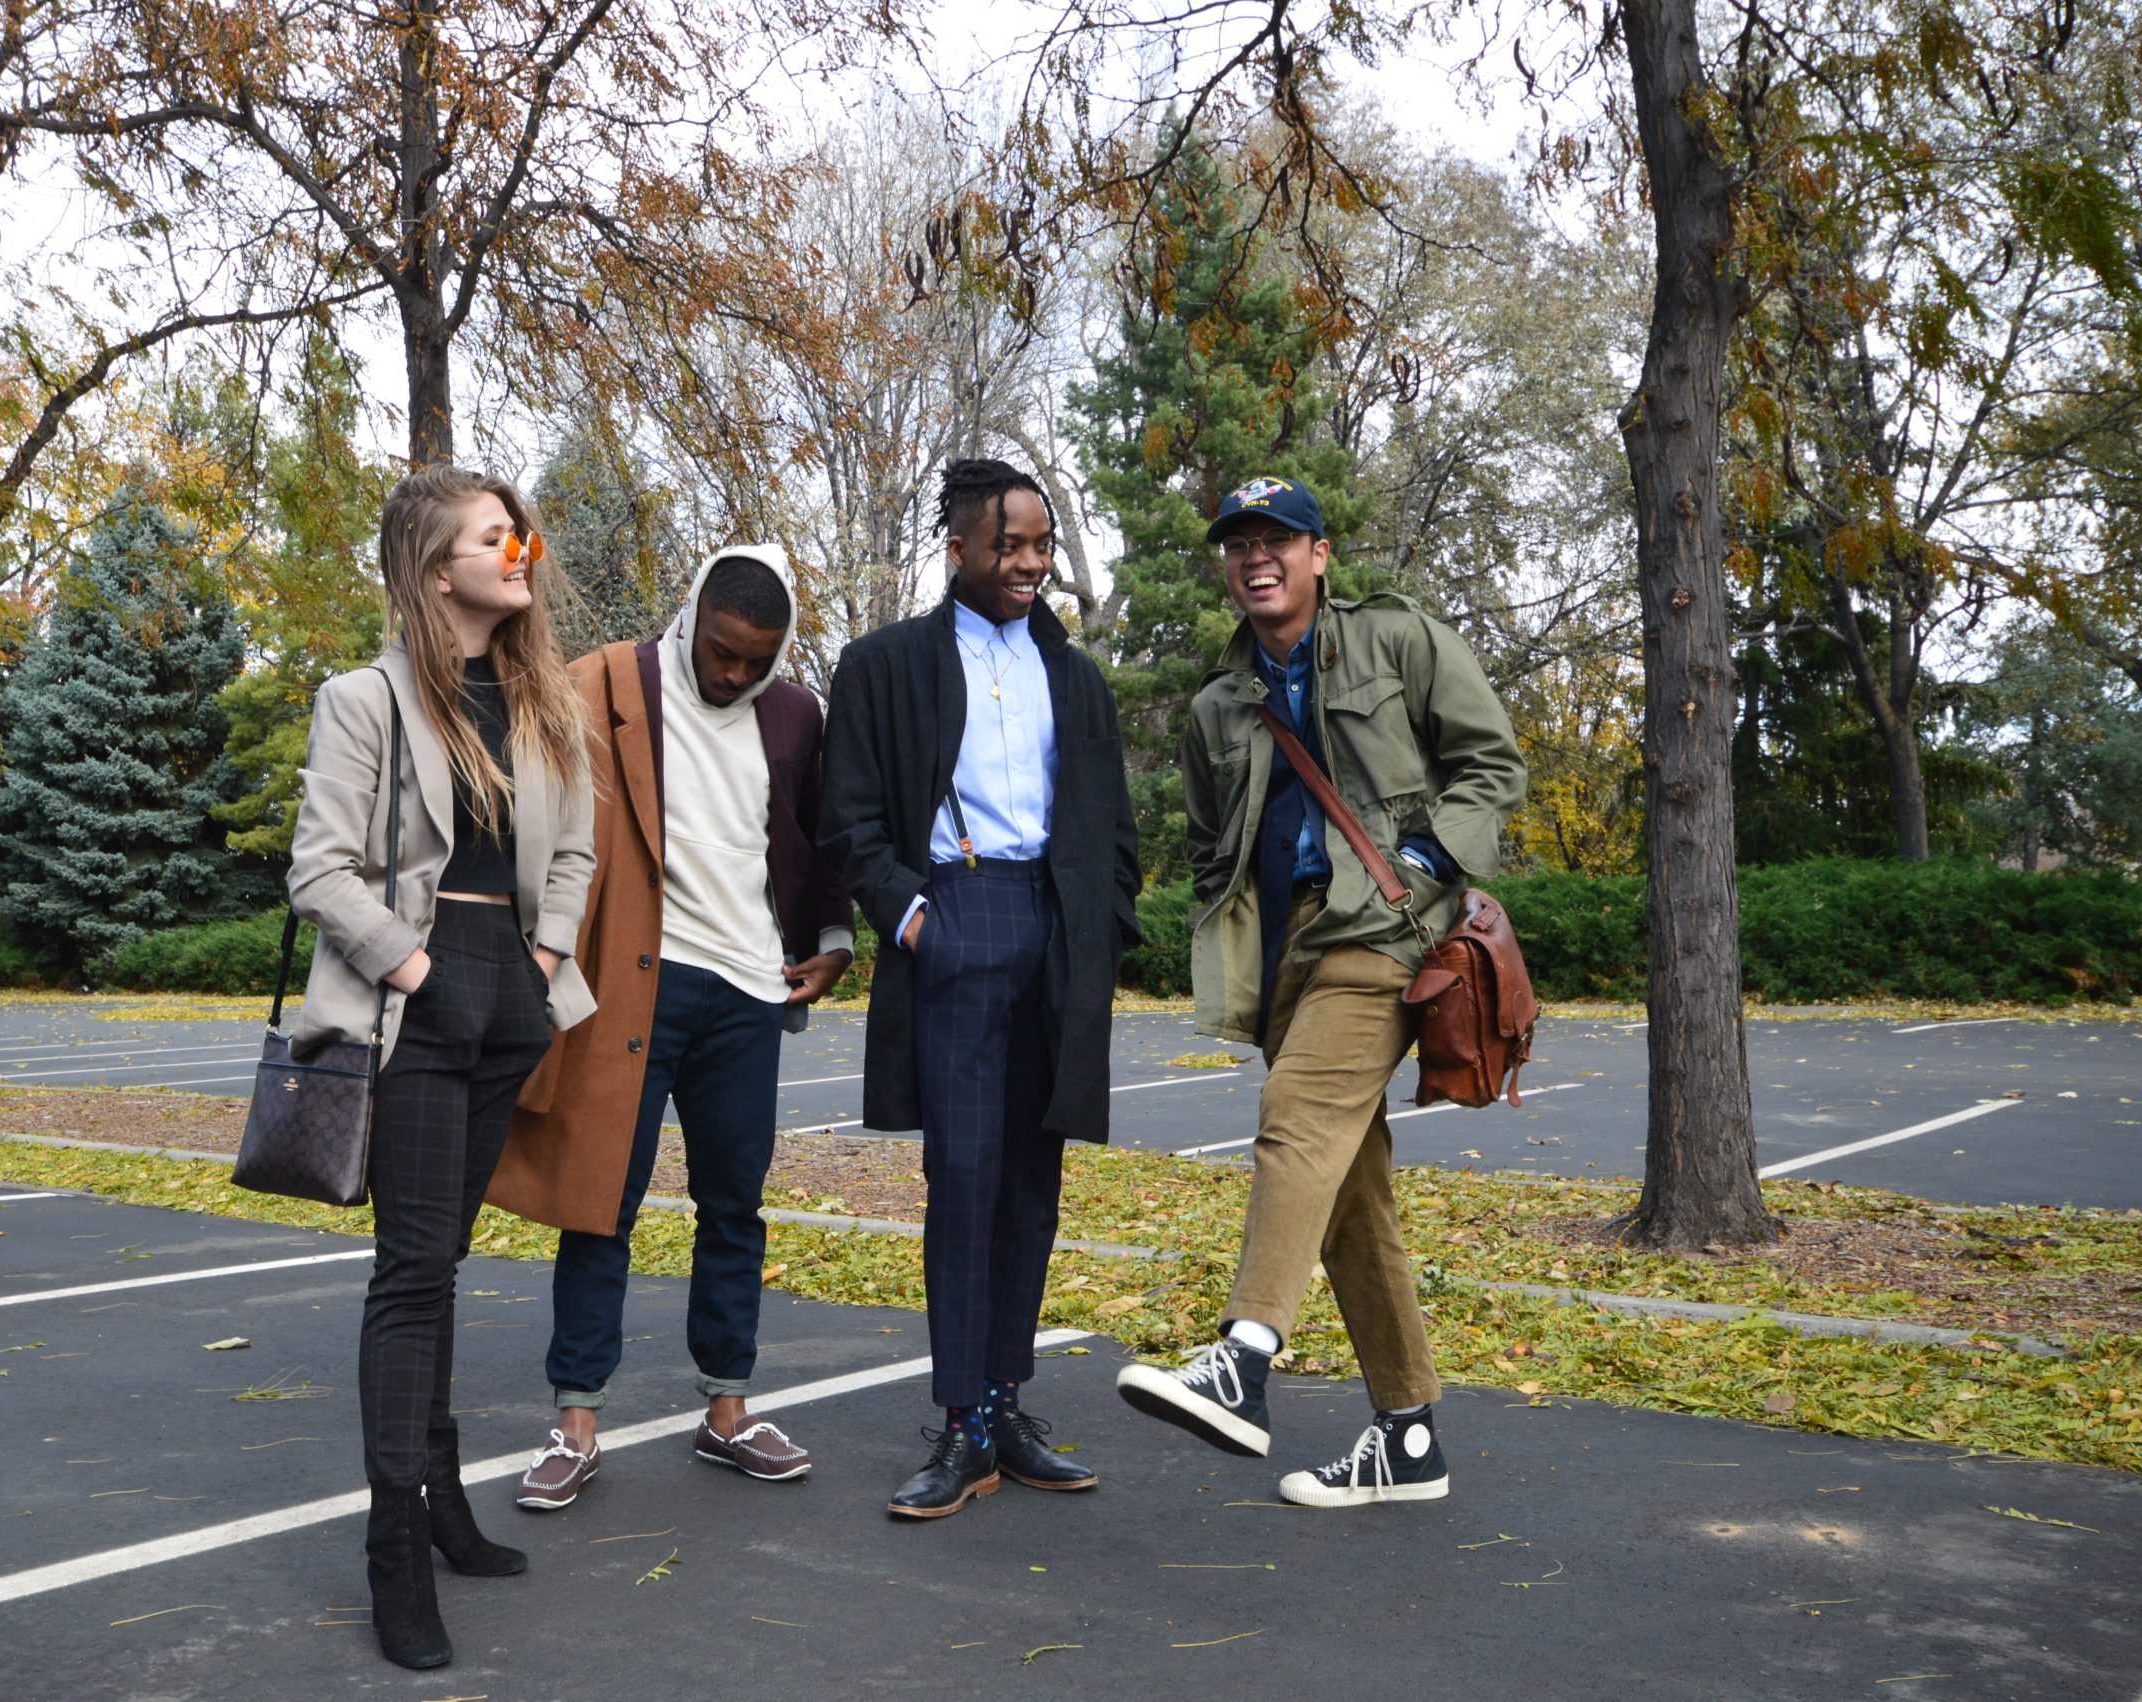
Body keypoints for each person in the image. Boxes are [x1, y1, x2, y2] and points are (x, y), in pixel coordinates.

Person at [1113, 474, 1525, 1508]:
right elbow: (1215, 845)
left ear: (1319, 554)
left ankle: (1242, 1361)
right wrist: (1231, 944)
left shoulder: (1395, 641)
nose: (1256, 558)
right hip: (1286, 958)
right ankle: (1407, 1437)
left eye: (1277, 541)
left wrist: (1428, 863)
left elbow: (1491, 763)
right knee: (1347, 1194)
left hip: (1386, 930)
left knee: (1295, 1119)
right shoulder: (1219, 704)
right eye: (1238, 544)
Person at [286, 465, 597, 1671]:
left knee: (444, 1262)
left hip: (508, 991)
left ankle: (445, 1496)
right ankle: (394, 1547)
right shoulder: (362, 699)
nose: (518, 552)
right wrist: (418, 972)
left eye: (518, 536)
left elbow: (572, 846)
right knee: (412, 1274)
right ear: (432, 568)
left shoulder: (538, 698)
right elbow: (321, 873)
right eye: (492, 537)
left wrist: (538, 956)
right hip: (410, 1001)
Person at [488, 546, 855, 1510]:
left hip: (748, 989)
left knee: (734, 1204)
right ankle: (575, 1425)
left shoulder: (794, 714)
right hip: (634, 981)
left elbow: (812, 839)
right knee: (600, 1197)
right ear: (690, 615)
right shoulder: (605, 686)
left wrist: (832, 940)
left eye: (757, 661)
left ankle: (728, 1413)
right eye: (724, 652)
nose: (736, 675)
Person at [819, 456, 1141, 1521]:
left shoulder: (1074, 675)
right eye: (1009, 546)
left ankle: (1006, 1407)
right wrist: (914, 918)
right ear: (956, 545)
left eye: (1042, 545)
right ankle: (959, 1421)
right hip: (954, 919)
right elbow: (849, 820)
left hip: (1050, 931)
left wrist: (1099, 933)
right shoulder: (885, 665)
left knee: (1028, 1189)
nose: (1031, 564)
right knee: (960, 1185)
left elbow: (1111, 828)